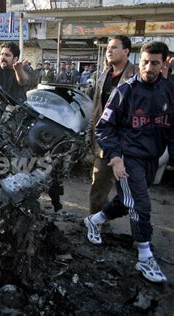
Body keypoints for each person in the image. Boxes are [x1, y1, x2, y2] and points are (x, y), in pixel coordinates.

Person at [84, 41, 173, 283]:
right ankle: (145, 257)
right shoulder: (125, 91)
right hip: (127, 157)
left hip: (152, 158)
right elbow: (103, 127)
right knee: (140, 204)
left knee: (126, 201)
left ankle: (93, 220)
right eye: (145, 61)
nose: (148, 67)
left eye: (155, 63)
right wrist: (114, 157)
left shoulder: (170, 91)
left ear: (164, 63)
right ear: (139, 59)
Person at [87, 35, 138, 214]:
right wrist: (90, 133)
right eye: (108, 47)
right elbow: (96, 108)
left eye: (114, 47)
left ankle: (139, 234)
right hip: (105, 142)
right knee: (98, 187)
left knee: (133, 191)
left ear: (126, 51)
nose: (109, 50)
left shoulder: (137, 75)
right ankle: (95, 224)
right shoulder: (104, 75)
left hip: (130, 143)